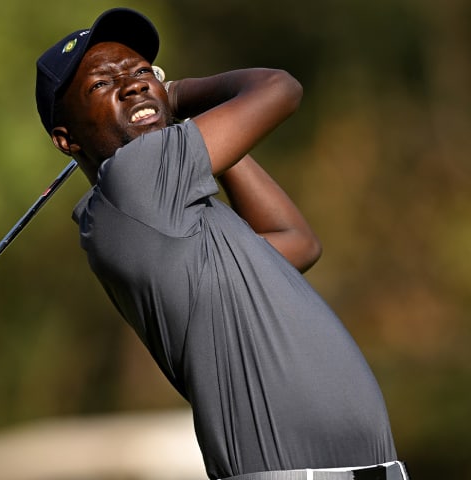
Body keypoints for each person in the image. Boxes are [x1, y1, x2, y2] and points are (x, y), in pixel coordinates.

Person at [35, 8, 407, 480]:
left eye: (142, 71)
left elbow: (296, 243)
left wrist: (186, 124)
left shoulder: (170, 217)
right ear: (66, 140)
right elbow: (280, 88)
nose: (133, 85)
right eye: (101, 85)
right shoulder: (133, 181)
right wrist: (176, 93)